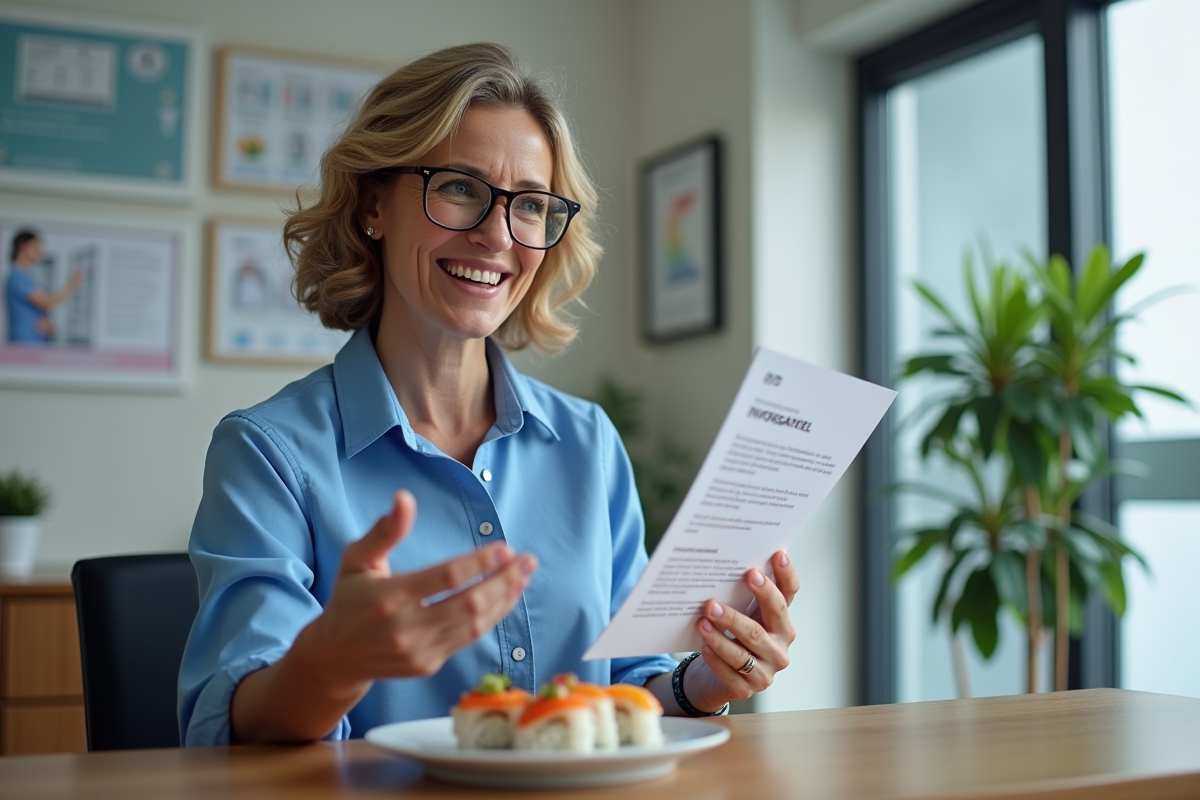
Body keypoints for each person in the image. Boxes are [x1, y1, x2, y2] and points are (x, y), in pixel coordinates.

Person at [178, 42, 799, 747]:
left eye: (529, 204)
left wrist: (702, 682)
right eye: (459, 188)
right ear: (373, 204)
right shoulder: (267, 453)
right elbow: (231, 727)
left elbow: (627, 687)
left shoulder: (589, 443)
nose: (496, 235)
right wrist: (332, 663)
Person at [5, 230, 84, 344]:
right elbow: (47, 302)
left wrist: (50, 327)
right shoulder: (17, 277)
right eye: (35, 246)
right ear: (22, 246)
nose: (40, 251)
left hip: (36, 343)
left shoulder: (27, 277)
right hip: (25, 344)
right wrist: (72, 284)